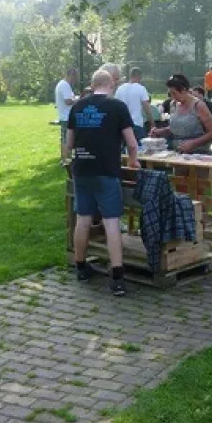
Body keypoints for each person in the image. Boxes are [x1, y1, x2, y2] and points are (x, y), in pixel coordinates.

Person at [66, 69, 140, 297]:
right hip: (106, 171)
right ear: (111, 84)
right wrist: (134, 161)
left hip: (81, 169)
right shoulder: (117, 107)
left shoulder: (77, 107)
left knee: (83, 218)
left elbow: (69, 143)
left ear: (92, 83)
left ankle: (80, 266)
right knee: (111, 221)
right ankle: (117, 276)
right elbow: (132, 143)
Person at [148, 74, 212, 153]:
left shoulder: (198, 105)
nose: (173, 97)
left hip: (197, 153)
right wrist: (161, 131)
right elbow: (178, 128)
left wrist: (193, 143)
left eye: (174, 93)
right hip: (177, 152)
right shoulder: (173, 104)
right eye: (171, 94)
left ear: (184, 90)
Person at [115, 67, 153, 144]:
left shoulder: (120, 89)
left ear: (130, 75)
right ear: (139, 76)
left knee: (123, 152)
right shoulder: (141, 88)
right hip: (136, 124)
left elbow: (115, 106)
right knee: (139, 150)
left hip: (122, 125)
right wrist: (152, 123)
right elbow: (147, 108)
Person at [55, 67, 79, 163]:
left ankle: (65, 159)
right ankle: (66, 160)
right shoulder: (65, 85)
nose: (75, 80)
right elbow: (68, 101)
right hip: (67, 116)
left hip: (64, 116)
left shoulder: (62, 84)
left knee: (64, 138)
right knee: (66, 139)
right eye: (75, 77)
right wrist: (78, 100)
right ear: (71, 75)